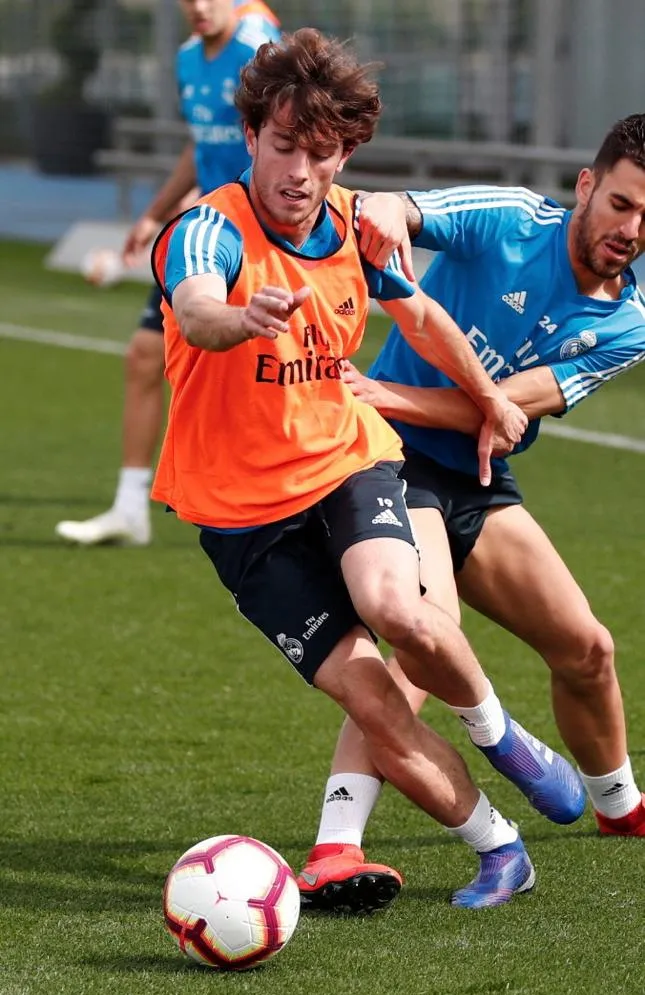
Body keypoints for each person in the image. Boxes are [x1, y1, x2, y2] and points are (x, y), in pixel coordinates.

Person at [147, 27, 586, 911]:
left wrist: (490, 398)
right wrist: (244, 317)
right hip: (241, 519)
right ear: (250, 140)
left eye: (320, 152)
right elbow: (196, 309)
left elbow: (419, 316)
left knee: (401, 610)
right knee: (374, 699)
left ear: (345, 153)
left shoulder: (351, 224)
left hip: (345, 464)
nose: (299, 171)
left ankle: (500, 734)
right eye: (282, 147)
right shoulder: (207, 231)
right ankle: (498, 847)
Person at [297, 112, 645, 912]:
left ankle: (619, 806)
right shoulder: (513, 219)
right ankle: (335, 845)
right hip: (391, 461)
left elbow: (497, 411)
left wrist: (388, 389)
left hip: (476, 480)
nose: (629, 229)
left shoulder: (625, 322)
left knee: (588, 648)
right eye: (621, 204)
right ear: (586, 186)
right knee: (424, 639)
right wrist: (386, 211)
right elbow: (399, 211)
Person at [55, 0, 281, 547]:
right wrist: (157, 212)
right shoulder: (187, 60)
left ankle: (298, 497)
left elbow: (288, 140)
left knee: (266, 378)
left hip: (258, 239)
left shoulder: (258, 46)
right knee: (143, 355)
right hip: (204, 233)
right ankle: (131, 507)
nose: (199, 7)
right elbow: (201, 144)